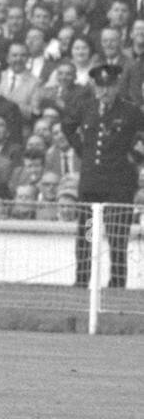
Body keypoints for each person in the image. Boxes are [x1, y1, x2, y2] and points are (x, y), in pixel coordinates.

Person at [60, 62, 144, 288]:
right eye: (100, 87)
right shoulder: (86, 107)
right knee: (86, 233)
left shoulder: (130, 111)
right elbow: (67, 126)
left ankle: (117, 284)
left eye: (109, 86)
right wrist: (81, 150)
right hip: (91, 184)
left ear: (117, 86)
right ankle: (81, 280)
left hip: (118, 184)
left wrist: (135, 156)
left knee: (117, 237)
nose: (104, 92)